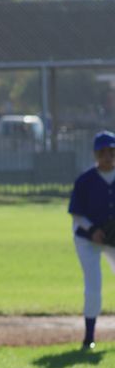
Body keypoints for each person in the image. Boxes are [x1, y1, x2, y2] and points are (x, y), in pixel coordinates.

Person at [68, 130, 115, 350]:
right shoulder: (85, 180)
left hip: (113, 239)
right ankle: (89, 337)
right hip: (87, 239)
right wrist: (93, 229)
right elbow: (76, 213)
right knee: (94, 285)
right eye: (103, 152)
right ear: (95, 154)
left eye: (112, 151)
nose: (108, 156)